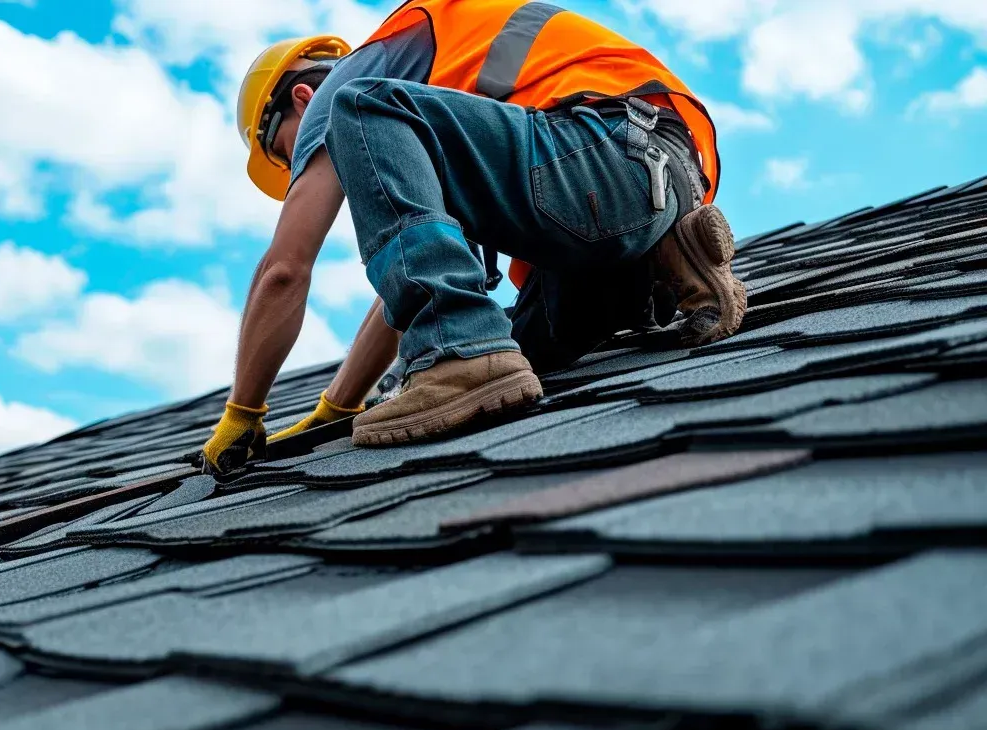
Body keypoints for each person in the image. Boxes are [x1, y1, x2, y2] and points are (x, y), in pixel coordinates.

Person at [200, 0, 744, 474]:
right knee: (524, 351)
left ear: (299, 99)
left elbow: (285, 269)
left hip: (605, 148)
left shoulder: (348, 91)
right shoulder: (440, 104)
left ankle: (460, 350)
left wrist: (242, 413)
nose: (304, 167)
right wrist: (338, 407)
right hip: (646, 190)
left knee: (361, 110)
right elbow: (415, 264)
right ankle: (671, 263)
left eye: (289, 153)